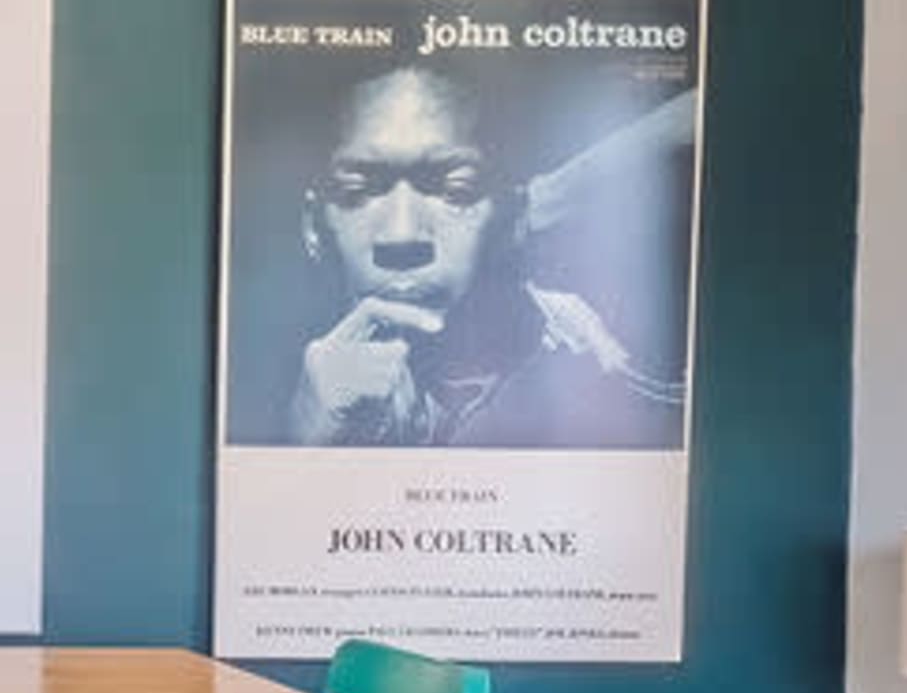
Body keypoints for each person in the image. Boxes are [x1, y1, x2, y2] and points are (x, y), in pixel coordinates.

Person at [282, 64, 683, 450]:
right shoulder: (280, 393)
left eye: (457, 191)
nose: (402, 235)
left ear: (510, 215)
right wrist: (306, 442)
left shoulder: (594, 354)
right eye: (357, 191)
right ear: (314, 228)